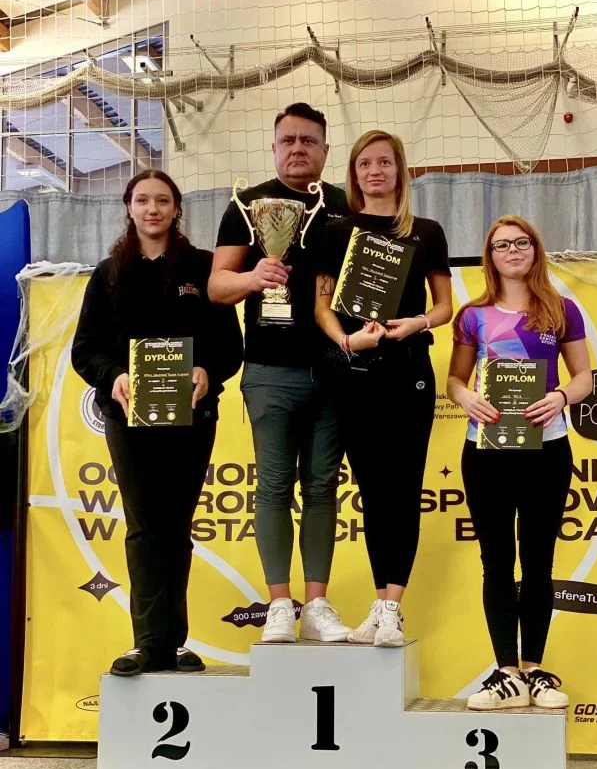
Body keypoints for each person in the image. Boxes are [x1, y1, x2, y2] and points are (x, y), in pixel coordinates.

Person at [72, 169, 242, 676]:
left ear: (176, 209)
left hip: (193, 418)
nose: (152, 209)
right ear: (129, 207)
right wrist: (115, 376)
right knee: (145, 527)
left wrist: (207, 370)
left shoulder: (203, 267)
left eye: (162, 200)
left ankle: (174, 642)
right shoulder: (108, 273)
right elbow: (85, 350)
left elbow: (229, 346)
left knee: (176, 527)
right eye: (143, 200)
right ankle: (148, 642)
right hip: (128, 420)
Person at [209, 102, 351, 644]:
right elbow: (217, 285)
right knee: (272, 486)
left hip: (335, 369)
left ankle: (316, 605)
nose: (297, 149)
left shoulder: (345, 206)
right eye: (288, 140)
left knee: (322, 487)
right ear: (273, 148)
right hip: (270, 369)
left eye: (308, 141)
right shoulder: (245, 206)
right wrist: (253, 278)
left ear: (325, 150)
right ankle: (278, 605)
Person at [447, 215, 592, 709]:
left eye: (521, 242)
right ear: (489, 256)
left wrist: (561, 397)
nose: (512, 251)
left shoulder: (562, 310)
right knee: (496, 563)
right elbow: (455, 381)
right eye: (502, 245)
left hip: (547, 450)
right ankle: (506, 672)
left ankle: (534, 671)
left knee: (538, 562)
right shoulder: (472, 315)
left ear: (535, 250)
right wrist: (466, 398)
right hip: (486, 452)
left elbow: (584, 377)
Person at [315, 130, 453, 647]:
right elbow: (321, 305)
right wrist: (346, 341)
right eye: (365, 164)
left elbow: (445, 306)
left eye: (384, 163)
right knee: (373, 492)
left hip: (409, 371)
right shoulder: (336, 231)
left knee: (403, 489)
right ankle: (379, 606)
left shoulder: (426, 232)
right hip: (355, 374)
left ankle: (393, 606)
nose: (375, 171)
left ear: (400, 170)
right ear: (354, 174)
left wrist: (417, 323)